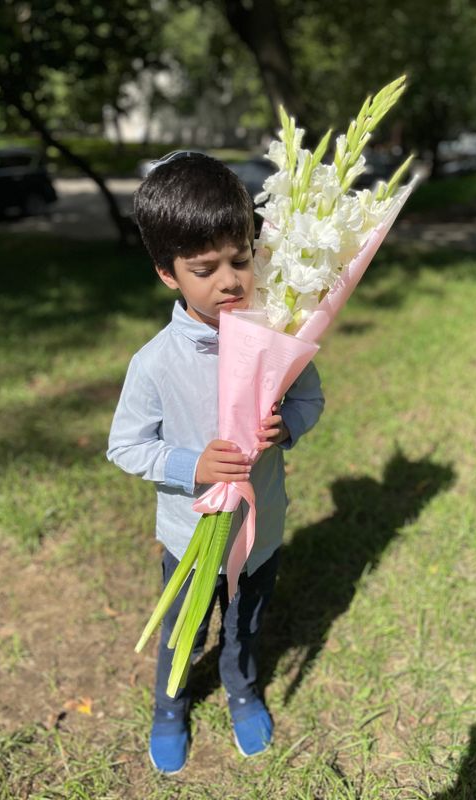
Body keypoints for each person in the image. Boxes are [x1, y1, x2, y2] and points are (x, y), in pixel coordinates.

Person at [107, 152, 324, 774]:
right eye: (205, 269)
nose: (230, 281)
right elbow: (125, 444)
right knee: (185, 629)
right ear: (167, 274)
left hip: (260, 533)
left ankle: (241, 690)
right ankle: (169, 708)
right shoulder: (154, 362)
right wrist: (190, 463)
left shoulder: (276, 335)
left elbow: (310, 396)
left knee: (244, 625)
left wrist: (290, 425)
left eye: (241, 258)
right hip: (189, 537)